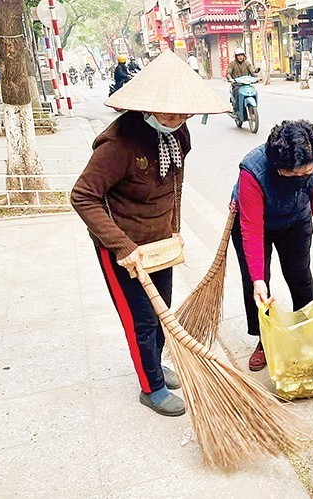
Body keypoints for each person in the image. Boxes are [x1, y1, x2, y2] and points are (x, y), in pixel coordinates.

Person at [70, 52, 229, 417]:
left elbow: (175, 184)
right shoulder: (117, 145)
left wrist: (174, 228)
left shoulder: (179, 134)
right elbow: (83, 196)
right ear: (147, 108)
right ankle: (151, 386)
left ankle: (154, 364)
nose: (177, 120)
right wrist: (122, 246)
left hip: (159, 243)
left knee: (161, 311)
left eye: (183, 113)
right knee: (141, 318)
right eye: (169, 114)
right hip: (122, 247)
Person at [230, 120, 313, 371]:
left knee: (301, 277)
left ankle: (306, 336)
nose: (300, 179)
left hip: (295, 221)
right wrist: (258, 278)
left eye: (305, 174)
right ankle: (265, 341)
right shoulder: (253, 171)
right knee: (257, 286)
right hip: (254, 225)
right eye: (292, 175)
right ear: (277, 166)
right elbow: (251, 228)